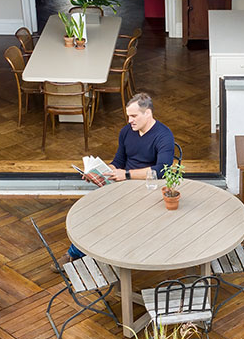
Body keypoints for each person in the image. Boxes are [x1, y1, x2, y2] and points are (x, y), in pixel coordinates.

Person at [67, 93, 176, 261]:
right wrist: (102, 171)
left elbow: (161, 170)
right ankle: (77, 252)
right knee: (94, 211)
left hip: (147, 188)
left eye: (134, 116)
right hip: (122, 184)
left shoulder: (164, 135)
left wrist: (125, 174)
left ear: (148, 113)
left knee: (108, 214)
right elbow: (119, 161)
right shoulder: (126, 132)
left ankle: (79, 254)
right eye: (128, 116)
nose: (129, 120)